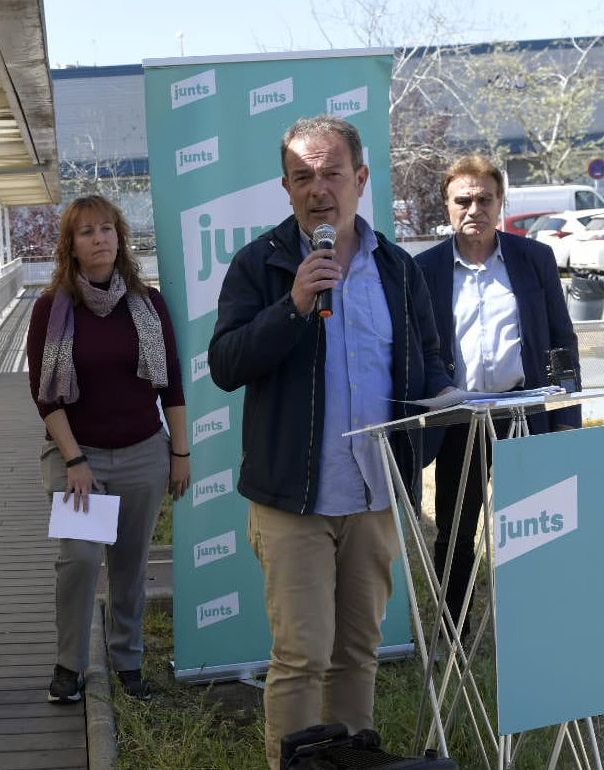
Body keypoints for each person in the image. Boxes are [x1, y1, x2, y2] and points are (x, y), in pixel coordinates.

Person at [207, 116, 452, 770]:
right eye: (302, 176)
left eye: (331, 173)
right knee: (301, 655)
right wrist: (291, 306)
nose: (319, 189)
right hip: (294, 502)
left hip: (373, 497)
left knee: (356, 652)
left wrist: (427, 431)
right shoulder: (259, 264)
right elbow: (226, 364)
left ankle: (349, 763)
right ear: (285, 188)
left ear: (360, 179)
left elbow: (430, 363)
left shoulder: (397, 269)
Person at [25, 194, 190, 704]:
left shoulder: (147, 303)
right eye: (86, 232)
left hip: (143, 451)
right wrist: (75, 460)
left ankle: (128, 659)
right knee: (77, 560)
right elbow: (45, 395)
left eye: (106, 229)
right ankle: (69, 664)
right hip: (82, 457)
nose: (98, 239)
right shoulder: (53, 309)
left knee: (130, 563)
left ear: (120, 239)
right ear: (70, 247)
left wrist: (179, 452)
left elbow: (174, 387)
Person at [415, 155, 580, 636]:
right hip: (459, 418)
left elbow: (560, 340)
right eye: (462, 200)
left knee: (535, 523)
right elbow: (418, 352)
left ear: (500, 202)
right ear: (446, 206)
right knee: (456, 528)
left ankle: (536, 623)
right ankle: (456, 628)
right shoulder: (423, 270)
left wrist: (567, 417)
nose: (474, 209)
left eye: (484, 199)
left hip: (524, 413)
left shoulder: (535, 260)